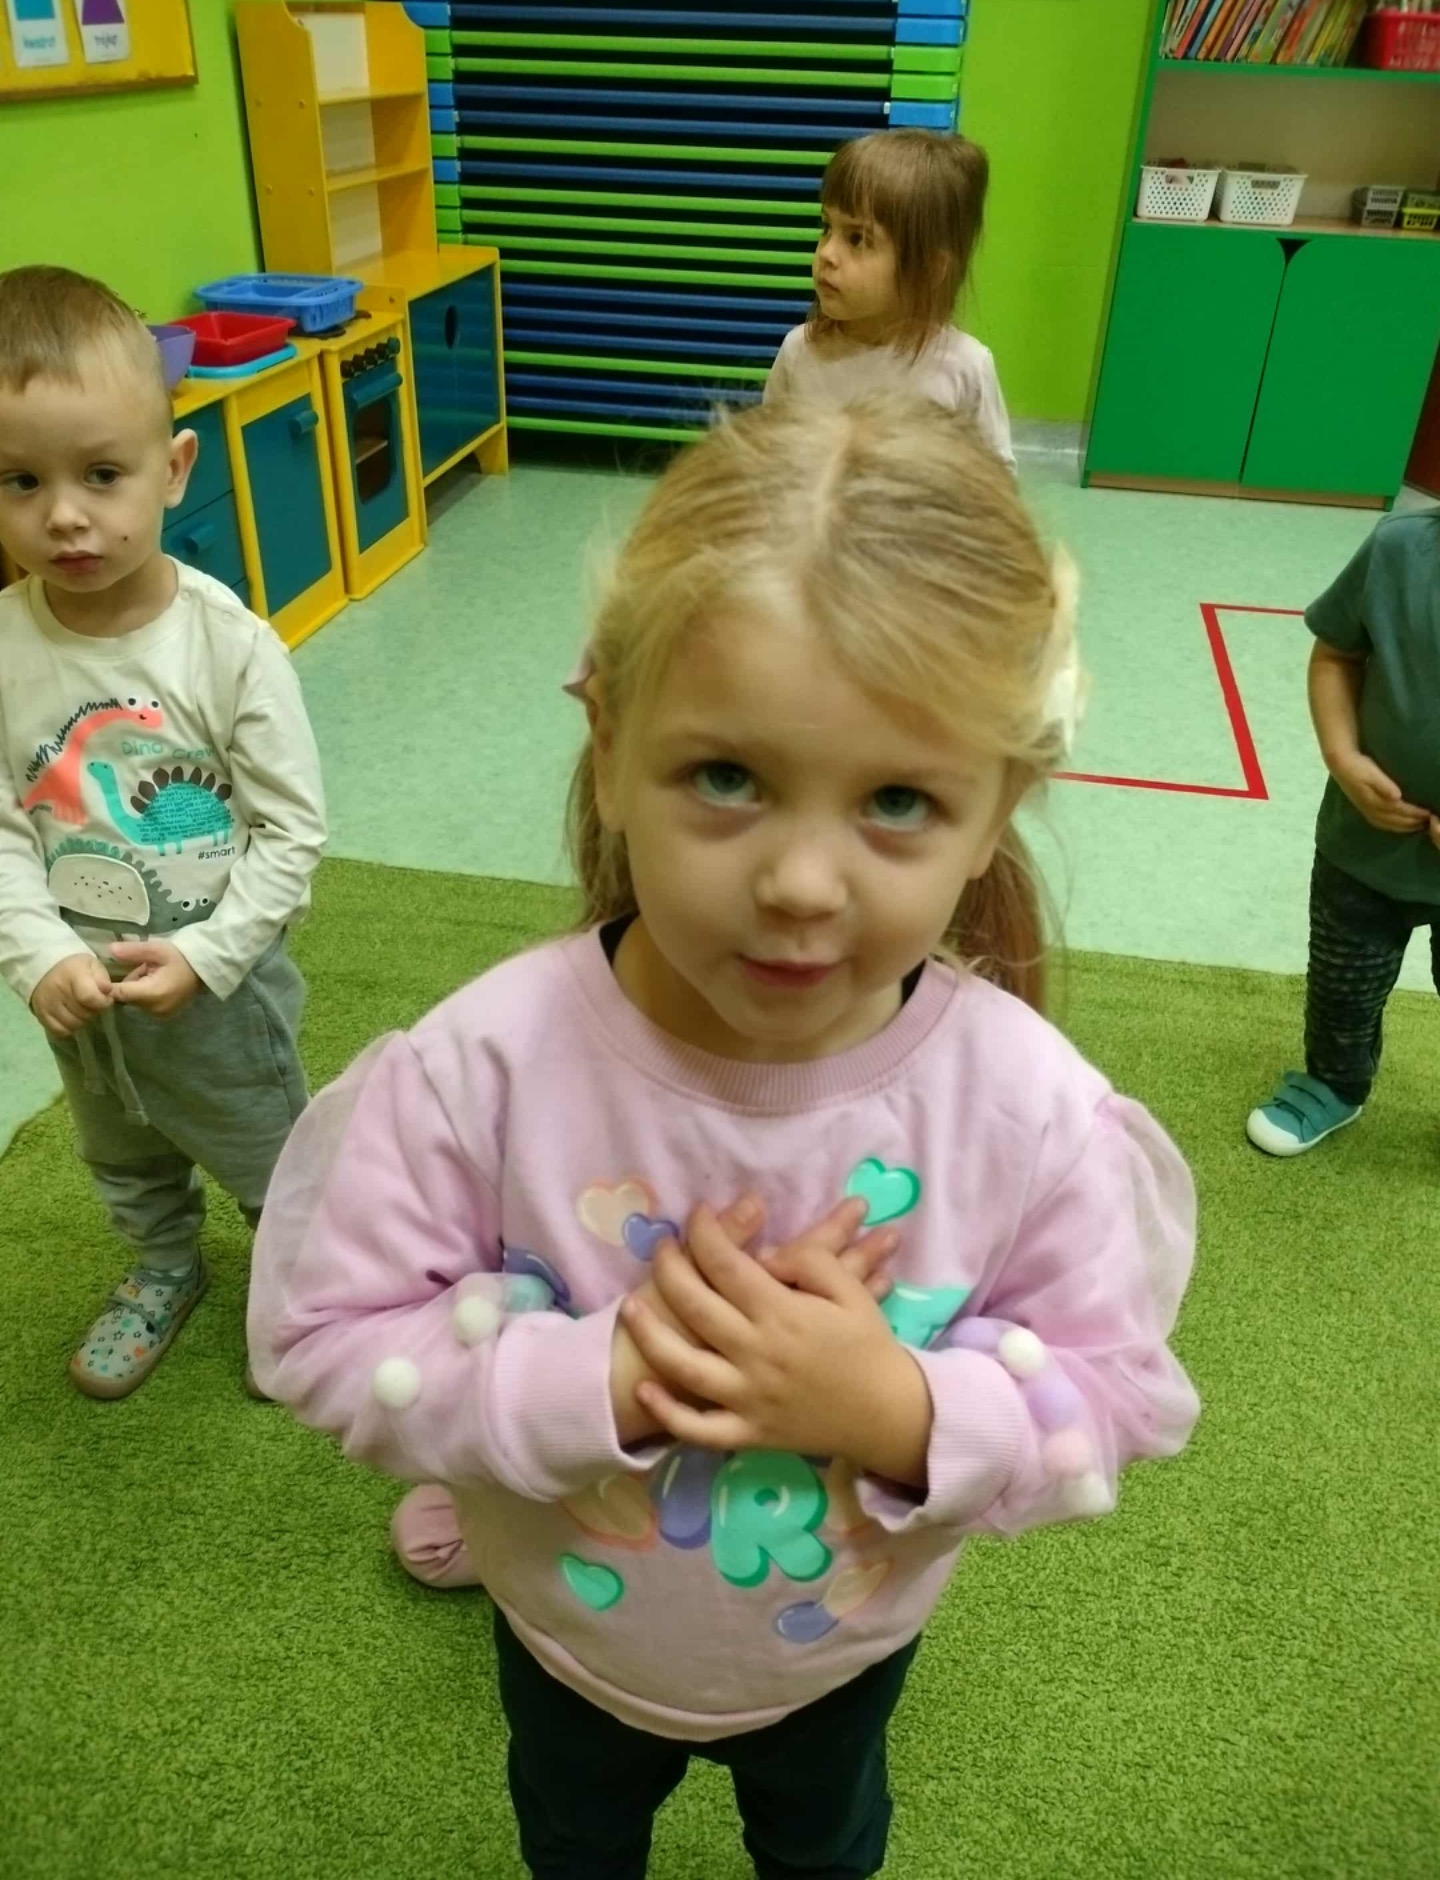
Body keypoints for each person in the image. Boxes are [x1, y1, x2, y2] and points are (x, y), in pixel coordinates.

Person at [248, 397, 1196, 1880]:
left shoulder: (1028, 1111)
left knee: (823, 1843)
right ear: (610, 746)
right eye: (728, 779)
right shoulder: (482, 1066)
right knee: (575, 1838)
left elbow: (1117, 1395)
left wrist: (893, 1407)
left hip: (839, 1657)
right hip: (565, 1642)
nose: (802, 882)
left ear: (997, 806)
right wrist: (600, 1378)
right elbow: (325, 1337)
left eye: (898, 800)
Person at [0, 265, 326, 1397]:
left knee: (271, 1155)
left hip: (219, 992)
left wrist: (209, 955)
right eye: (20, 481)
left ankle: (305, 1289)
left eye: (101, 474)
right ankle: (164, 1266)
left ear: (173, 467)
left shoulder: (228, 646)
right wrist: (38, 954)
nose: (64, 515)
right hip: (83, 992)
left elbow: (292, 832)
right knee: (121, 1148)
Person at [1248, 511, 1440, 1157]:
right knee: (1342, 987)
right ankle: (1335, 1083)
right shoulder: (1398, 548)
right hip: (1365, 846)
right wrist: (1343, 757)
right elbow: (1336, 655)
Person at [763, 129, 1014, 469]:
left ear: (928, 268)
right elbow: (769, 461)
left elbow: (995, 481)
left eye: (857, 239)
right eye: (826, 228)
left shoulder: (964, 368)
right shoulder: (799, 353)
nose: (827, 253)